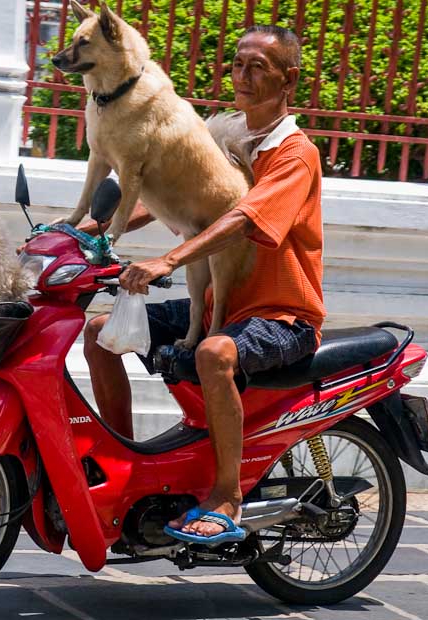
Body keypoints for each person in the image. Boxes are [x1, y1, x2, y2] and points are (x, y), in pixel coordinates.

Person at [81, 25, 326, 542]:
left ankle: (227, 496)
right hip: (218, 300)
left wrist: (168, 260)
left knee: (214, 352)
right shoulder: (221, 133)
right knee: (101, 333)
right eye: (239, 63)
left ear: (290, 80)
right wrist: (83, 228)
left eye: (260, 67)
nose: (245, 75)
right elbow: (173, 191)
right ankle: (122, 466)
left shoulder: (295, 153)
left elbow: (242, 217)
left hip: (280, 314)